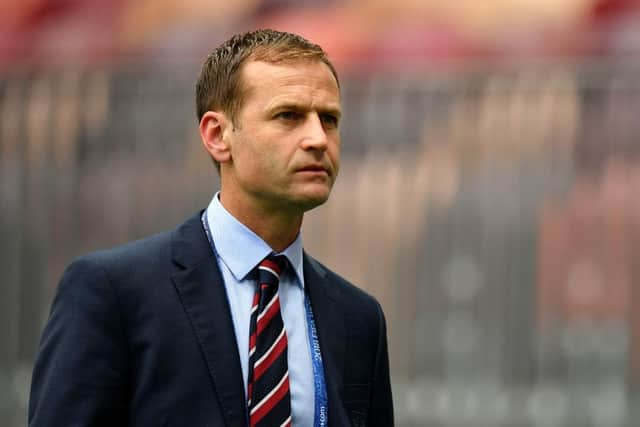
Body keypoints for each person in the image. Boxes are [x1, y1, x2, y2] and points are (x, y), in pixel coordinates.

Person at [28, 29, 394, 426]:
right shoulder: (113, 292)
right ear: (217, 135)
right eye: (288, 116)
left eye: (329, 119)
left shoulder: (359, 318)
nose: (318, 139)